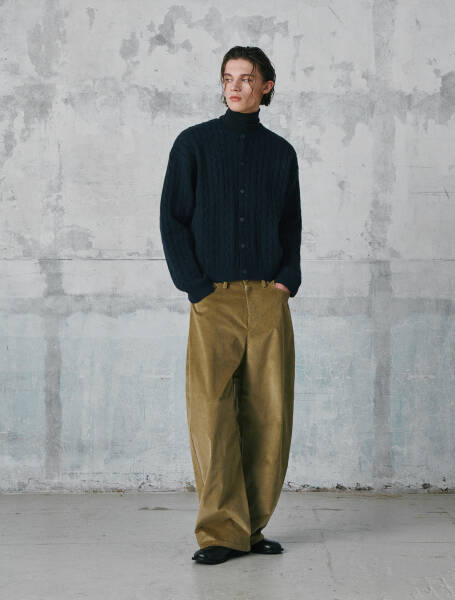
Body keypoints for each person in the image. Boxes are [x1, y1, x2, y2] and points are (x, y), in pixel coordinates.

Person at [159, 45, 302, 565]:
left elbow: (290, 221)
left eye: (246, 78)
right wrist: (194, 286)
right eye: (228, 78)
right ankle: (222, 532)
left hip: (268, 296)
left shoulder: (281, 153)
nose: (235, 87)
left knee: (269, 415)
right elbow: (172, 218)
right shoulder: (193, 144)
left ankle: (252, 527)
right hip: (212, 297)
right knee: (212, 414)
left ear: (266, 86)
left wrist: (286, 280)